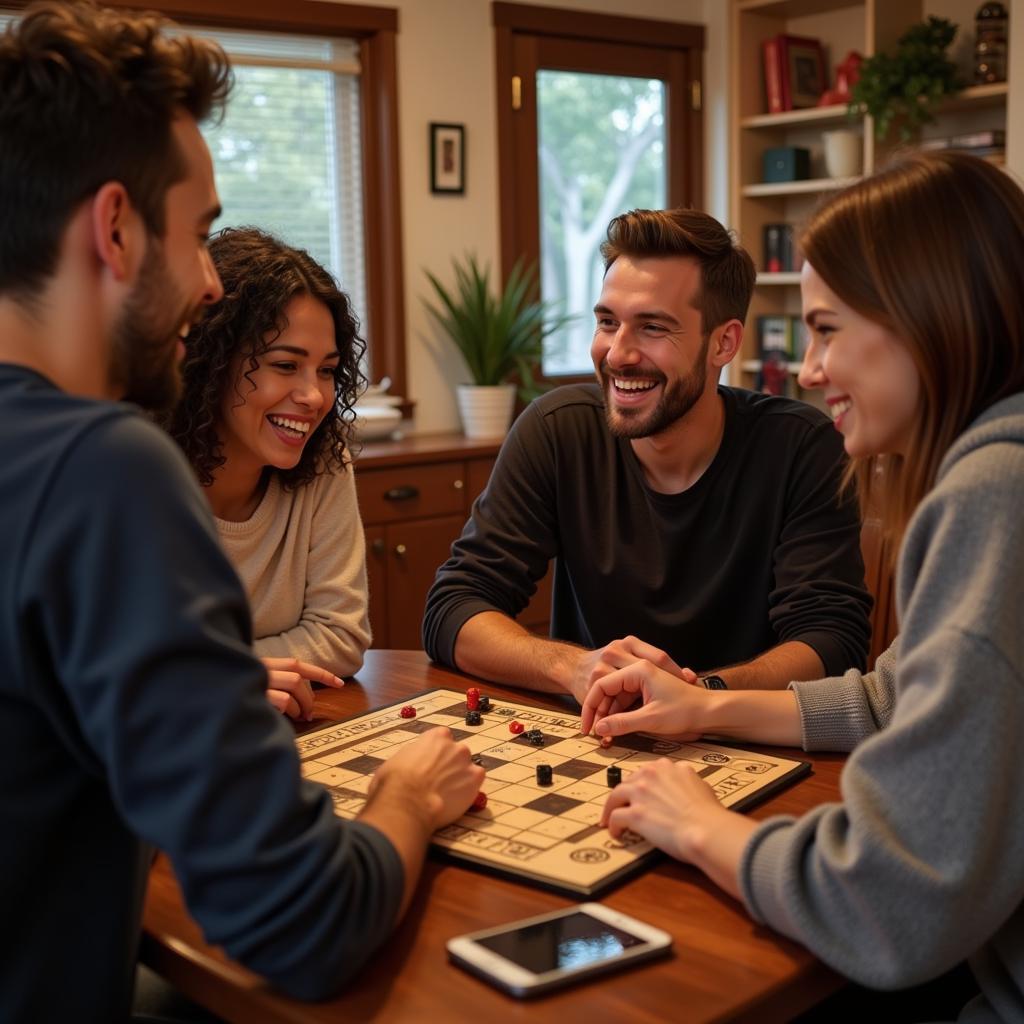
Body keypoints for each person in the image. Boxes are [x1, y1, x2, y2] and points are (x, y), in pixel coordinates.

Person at [0, 4, 482, 1020]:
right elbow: (299, 918)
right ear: (117, 229)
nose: (211, 283)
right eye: (201, 235)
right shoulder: (105, 468)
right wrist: (408, 794)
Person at [579, 151, 1024, 1022]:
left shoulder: (994, 491)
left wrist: (705, 827)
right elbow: (891, 699)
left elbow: (891, 905)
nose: (811, 369)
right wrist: (702, 705)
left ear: (923, 320)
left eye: (825, 329)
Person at [423, 207, 872, 702]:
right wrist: (573, 668)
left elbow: (832, 642)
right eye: (608, 322)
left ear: (724, 342)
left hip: (748, 740)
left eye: (653, 327)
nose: (618, 353)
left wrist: (701, 697)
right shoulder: (557, 431)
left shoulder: (800, 447)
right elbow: (455, 607)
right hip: (599, 737)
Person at [162, 227, 371, 716]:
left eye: (326, 370)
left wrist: (210, 669)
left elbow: (341, 635)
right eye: (284, 365)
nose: (314, 397)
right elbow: (113, 666)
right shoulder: (140, 468)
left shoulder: (325, 455)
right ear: (210, 362)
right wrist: (224, 677)